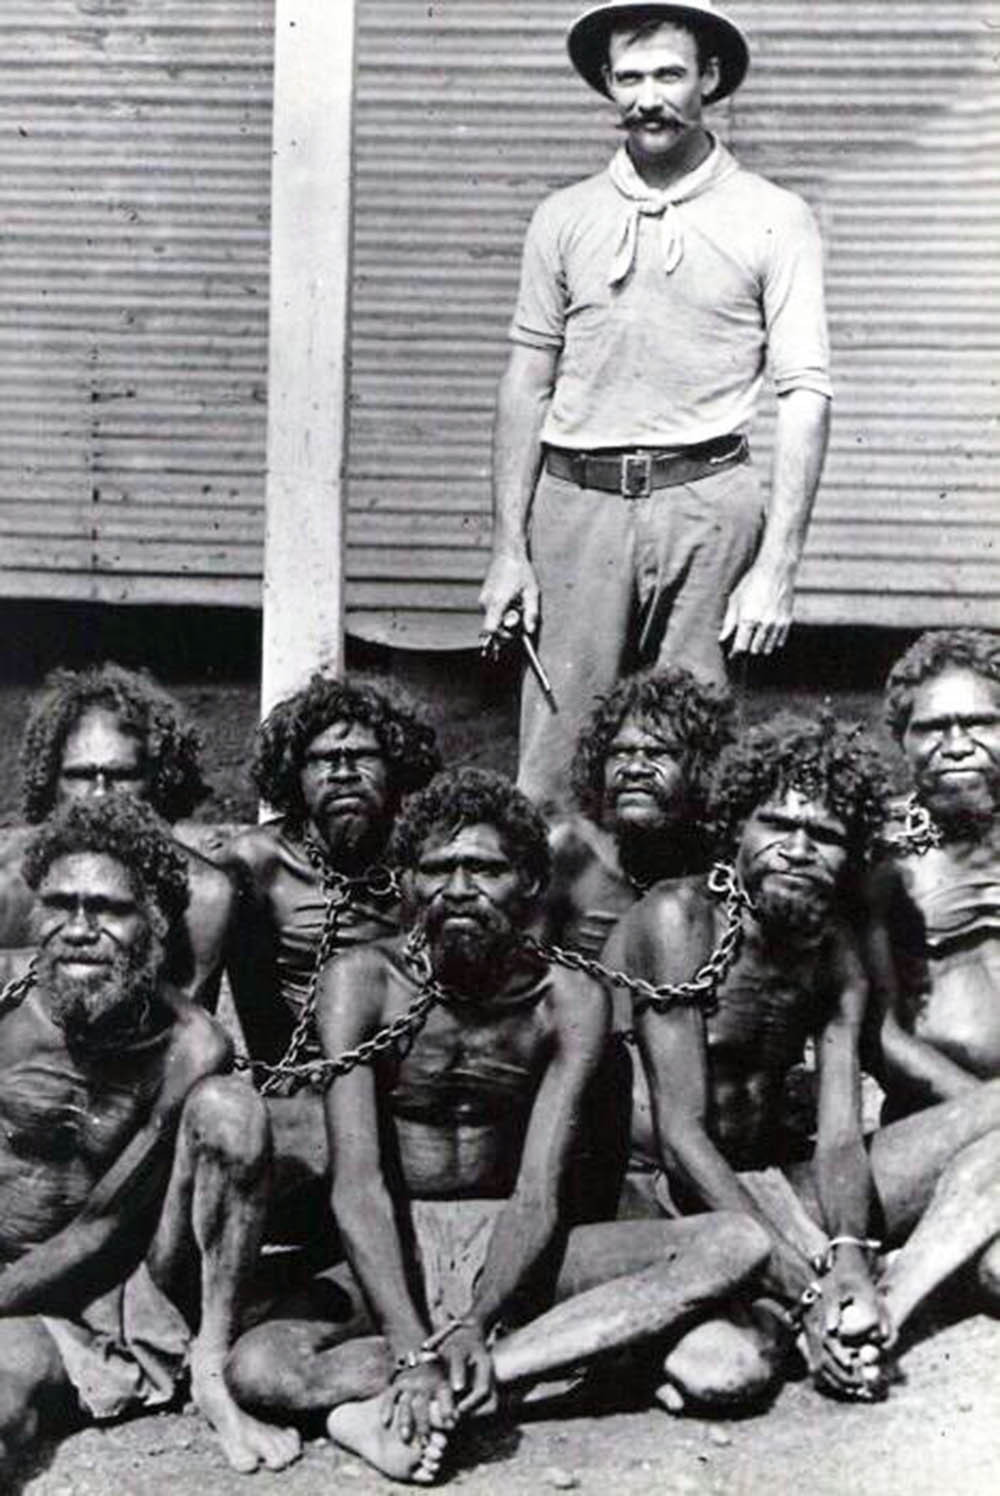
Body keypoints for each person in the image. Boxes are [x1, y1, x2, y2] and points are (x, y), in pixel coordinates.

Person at [225, 768, 770, 1483]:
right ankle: (490, 1372)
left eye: (484, 869)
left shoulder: (568, 997)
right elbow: (358, 1184)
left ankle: (488, 1373)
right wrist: (411, 1341)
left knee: (735, 1241)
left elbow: (539, 1189)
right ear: (409, 883)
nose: (457, 888)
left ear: (532, 884)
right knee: (260, 1366)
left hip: (516, 1243)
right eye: (436, 868)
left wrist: (481, 1323)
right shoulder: (361, 979)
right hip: (400, 1239)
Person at [479, 1, 832, 809]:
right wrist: (508, 549)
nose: (649, 98)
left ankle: (680, 928)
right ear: (608, 84)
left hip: (707, 508)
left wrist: (778, 569)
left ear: (708, 78)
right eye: (629, 77)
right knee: (553, 764)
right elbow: (526, 382)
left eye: (669, 74)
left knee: (692, 756)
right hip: (577, 507)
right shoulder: (563, 217)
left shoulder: (774, 217)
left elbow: (806, 391)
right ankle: (551, 932)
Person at [605, 712, 1000, 1405]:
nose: (796, 849)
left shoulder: (835, 944)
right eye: (776, 827)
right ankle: (798, 1314)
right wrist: (811, 1284)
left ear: (850, 855)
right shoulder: (679, 919)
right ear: (735, 827)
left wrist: (848, 1251)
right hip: (665, 1199)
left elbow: (841, 1131)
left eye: (823, 836)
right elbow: (680, 1138)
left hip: (779, 1182)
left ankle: (887, 1297)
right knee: (728, 1372)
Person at [0, 796, 299, 1475]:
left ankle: (211, 1369)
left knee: (232, 1111)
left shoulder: (191, 1045)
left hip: (110, 1292)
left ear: (155, 926)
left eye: (108, 910)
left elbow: (102, 1226)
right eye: (61, 904)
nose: (80, 928)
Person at [223, 675, 441, 1247]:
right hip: (302, 1084)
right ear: (294, 774)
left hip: (402, 1080)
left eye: (361, 755)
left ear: (395, 764)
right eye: (323, 759)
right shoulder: (257, 863)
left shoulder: (428, 859)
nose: (343, 772)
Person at [3, 663, 235, 1008]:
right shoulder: (8, 888)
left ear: (161, 780)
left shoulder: (203, 896)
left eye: (122, 775)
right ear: (51, 781)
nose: (100, 795)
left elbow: (187, 1046)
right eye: (80, 775)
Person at [867, 629, 1000, 1119]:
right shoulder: (878, 854)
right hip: (937, 1115)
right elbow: (877, 1033)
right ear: (902, 739)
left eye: (979, 723)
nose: (957, 745)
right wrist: (987, 1111)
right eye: (933, 728)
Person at [539, 665, 734, 956]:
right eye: (619, 753)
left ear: (702, 767)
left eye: (658, 753)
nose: (634, 769)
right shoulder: (569, 851)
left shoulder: (721, 862)